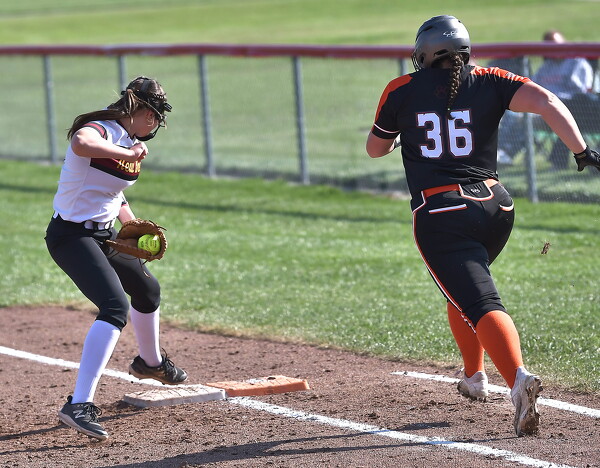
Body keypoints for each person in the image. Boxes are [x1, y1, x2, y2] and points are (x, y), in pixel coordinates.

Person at [366, 15, 600, 437]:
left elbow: (375, 149)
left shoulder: (401, 88)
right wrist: (581, 151)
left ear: (423, 54)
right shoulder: (491, 78)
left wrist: (403, 134)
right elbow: (548, 101)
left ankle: (518, 380)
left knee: (481, 302)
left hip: (442, 211)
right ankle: (474, 376)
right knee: (462, 290)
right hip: (496, 207)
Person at [45, 76, 187, 441]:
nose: (155, 123)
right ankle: (78, 404)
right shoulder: (101, 129)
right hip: (71, 236)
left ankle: (150, 364)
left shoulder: (130, 140)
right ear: (142, 111)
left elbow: (113, 192)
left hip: (106, 234)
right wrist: (127, 155)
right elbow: (81, 143)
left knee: (147, 290)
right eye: (155, 116)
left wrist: (132, 226)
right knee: (114, 308)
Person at [497, 30, 595, 167]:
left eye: (557, 45)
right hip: (540, 111)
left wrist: (553, 100)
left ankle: (507, 152)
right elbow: (531, 89)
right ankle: (504, 153)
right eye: (550, 47)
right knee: (512, 114)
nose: (554, 49)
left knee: (522, 118)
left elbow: (583, 95)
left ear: (564, 44)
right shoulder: (545, 67)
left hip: (565, 110)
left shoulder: (577, 63)